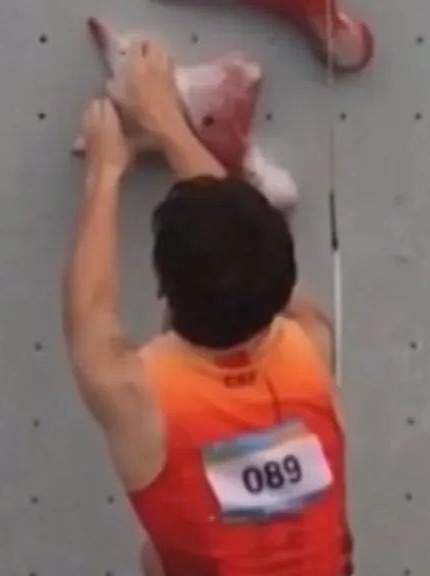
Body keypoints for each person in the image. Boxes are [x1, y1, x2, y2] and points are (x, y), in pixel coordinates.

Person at [62, 37, 352, 576]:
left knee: (158, 560)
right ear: (283, 283)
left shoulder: (142, 397)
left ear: (162, 287)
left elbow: (89, 314)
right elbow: (249, 241)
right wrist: (170, 123)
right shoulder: (310, 343)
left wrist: (105, 171)